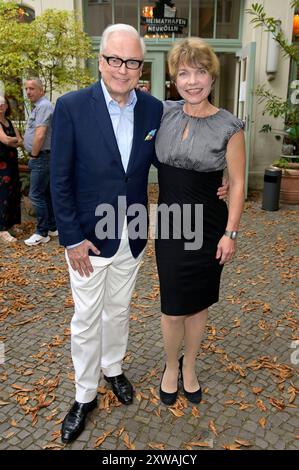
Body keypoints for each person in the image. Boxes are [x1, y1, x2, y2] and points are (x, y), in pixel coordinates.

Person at [50, 24, 228, 444]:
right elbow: (58, 180)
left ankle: (113, 370)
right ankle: (83, 395)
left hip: (131, 233)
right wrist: (72, 238)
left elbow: (192, 143)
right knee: (86, 318)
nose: (122, 68)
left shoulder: (155, 110)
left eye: (131, 61)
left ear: (140, 66)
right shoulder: (72, 106)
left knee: (118, 310)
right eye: (115, 59)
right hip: (88, 241)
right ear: (101, 60)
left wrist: (220, 183)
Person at [155, 37, 246, 406]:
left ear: (212, 77)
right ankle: (169, 367)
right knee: (172, 305)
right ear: (174, 79)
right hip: (171, 224)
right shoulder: (162, 113)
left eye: (200, 72)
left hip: (209, 226)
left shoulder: (230, 126)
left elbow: (238, 183)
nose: (192, 81)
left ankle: (189, 365)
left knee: (199, 303)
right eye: (184, 73)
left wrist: (231, 233)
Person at [23, 78, 57, 246]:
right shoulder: (40, 106)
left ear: (41, 90)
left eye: (32, 88)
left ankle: (42, 232)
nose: (28, 92)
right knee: (45, 194)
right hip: (44, 156)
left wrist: (34, 155)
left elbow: (40, 134)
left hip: (41, 156)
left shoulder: (43, 106)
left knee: (35, 195)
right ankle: (52, 226)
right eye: (27, 88)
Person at [0, 96, 22, 243]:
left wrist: (14, 141)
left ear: (6, 106)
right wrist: (13, 141)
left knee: (14, 193)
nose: (1, 106)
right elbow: (6, 140)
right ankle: (1, 230)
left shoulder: (9, 122)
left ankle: (11, 224)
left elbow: (20, 140)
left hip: (12, 162)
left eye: (3, 104)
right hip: (1, 165)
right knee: (3, 196)